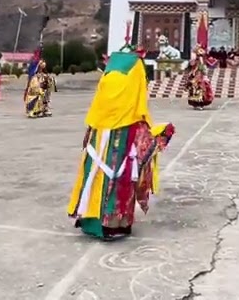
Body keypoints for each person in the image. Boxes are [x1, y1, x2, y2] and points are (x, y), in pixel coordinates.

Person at [67, 44, 175, 240]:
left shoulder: (96, 118)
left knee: (94, 175)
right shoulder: (134, 121)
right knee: (119, 178)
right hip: (122, 138)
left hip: (99, 133)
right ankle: (112, 224)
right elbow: (147, 148)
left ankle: (89, 218)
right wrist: (163, 133)